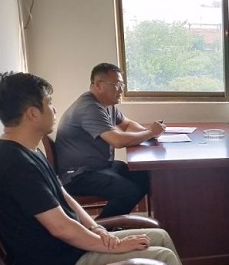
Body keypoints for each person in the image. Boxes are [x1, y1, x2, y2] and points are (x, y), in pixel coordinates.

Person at [0, 71, 224, 265]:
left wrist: (95, 227)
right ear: (32, 113)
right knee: (159, 255)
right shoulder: (14, 164)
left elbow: (63, 196)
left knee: (159, 236)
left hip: (70, 247)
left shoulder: (26, 150)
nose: (54, 109)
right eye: (49, 103)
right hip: (59, 262)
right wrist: (111, 245)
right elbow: (60, 227)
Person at [54, 62, 165, 217]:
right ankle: (101, 228)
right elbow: (117, 141)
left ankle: (120, 222)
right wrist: (150, 133)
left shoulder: (107, 105)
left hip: (98, 167)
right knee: (129, 191)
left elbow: (127, 124)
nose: (121, 89)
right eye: (116, 84)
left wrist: (149, 133)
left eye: (122, 84)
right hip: (78, 175)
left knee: (144, 176)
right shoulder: (89, 107)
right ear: (99, 85)